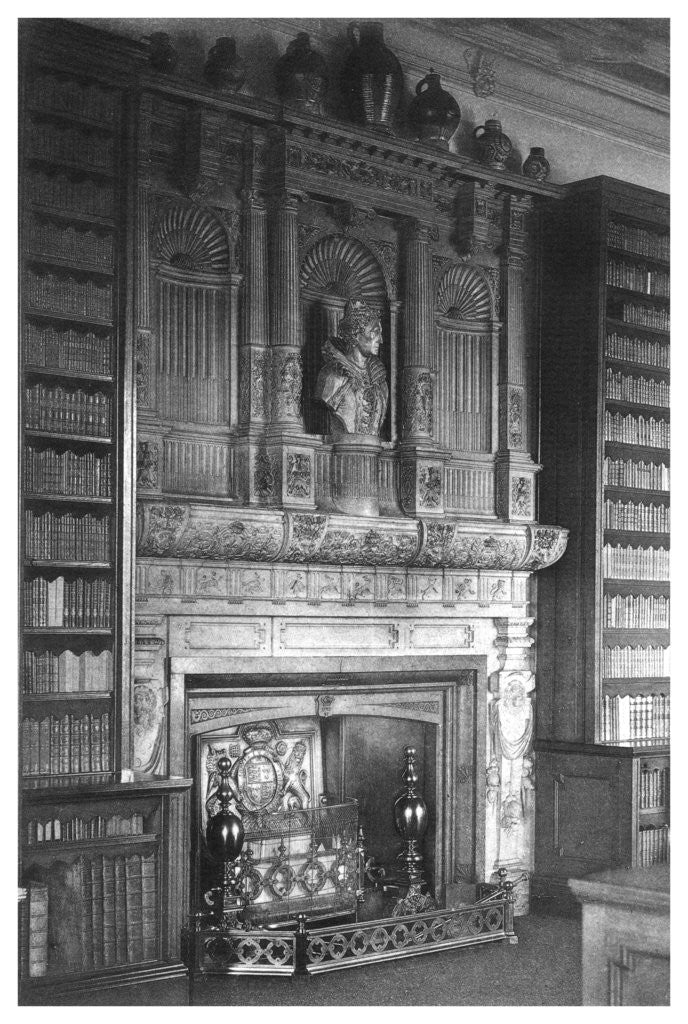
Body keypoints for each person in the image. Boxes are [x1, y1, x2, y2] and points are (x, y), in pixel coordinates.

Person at [315, 296, 388, 437]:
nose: (381, 340)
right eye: (374, 333)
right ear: (356, 334)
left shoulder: (380, 381)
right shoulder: (332, 375)